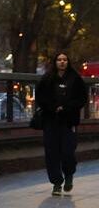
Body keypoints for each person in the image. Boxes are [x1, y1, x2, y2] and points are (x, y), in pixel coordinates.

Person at [35, 52, 88, 196]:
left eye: (65, 59)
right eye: (59, 60)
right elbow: (40, 97)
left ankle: (69, 174)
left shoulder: (75, 78)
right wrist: (53, 107)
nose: (62, 62)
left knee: (67, 151)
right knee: (51, 153)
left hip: (68, 121)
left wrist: (66, 108)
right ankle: (57, 183)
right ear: (55, 62)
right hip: (50, 121)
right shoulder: (47, 78)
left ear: (68, 62)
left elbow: (82, 98)